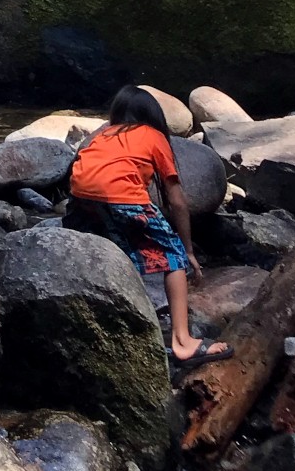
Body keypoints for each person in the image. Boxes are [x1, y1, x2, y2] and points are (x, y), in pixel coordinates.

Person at [65, 84, 232, 367]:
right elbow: (177, 201)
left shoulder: (102, 134)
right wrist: (187, 250)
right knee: (173, 258)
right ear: (153, 116)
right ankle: (183, 342)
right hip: (122, 197)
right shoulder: (153, 136)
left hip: (82, 199)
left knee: (119, 253)